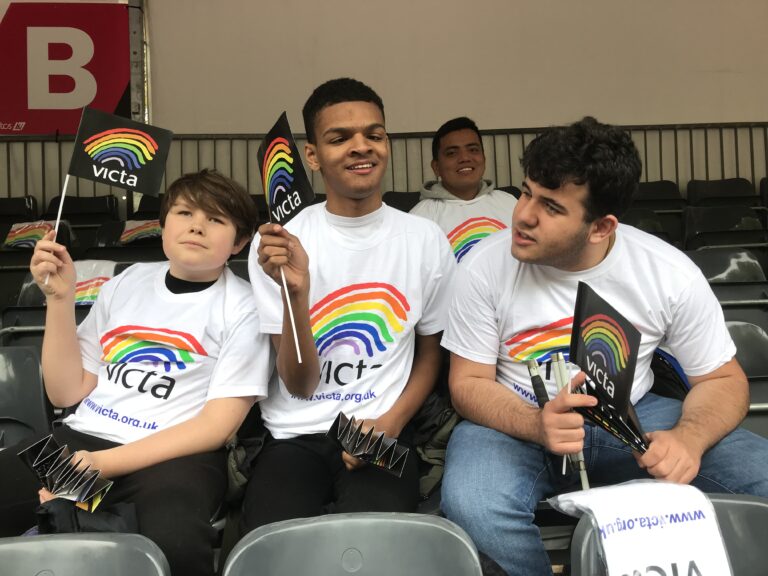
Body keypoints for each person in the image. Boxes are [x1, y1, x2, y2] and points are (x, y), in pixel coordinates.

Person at [440, 117, 768, 575]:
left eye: (551, 207)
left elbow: (722, 379)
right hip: (515, 417)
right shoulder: (483, 266)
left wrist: (689, 438)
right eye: (526, 191)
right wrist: (536, 424)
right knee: (473, 504)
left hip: (636, 414)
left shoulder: (666, 272)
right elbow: (468, 382)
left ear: (601, 227)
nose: (523, 215)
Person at [0, 169, 272, 576]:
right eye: (184, 213)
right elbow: (65, 393)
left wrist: (102, 466)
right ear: (163, 225)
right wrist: (60, 298)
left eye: (215, 219)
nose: (197, 225)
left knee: (174, 544)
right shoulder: (126, 282)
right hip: (82, 442)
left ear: (239, 242)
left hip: (175, 458)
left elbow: (216, 427)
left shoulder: (245, 306)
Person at [240, 77, 455, 532]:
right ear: (313, 156)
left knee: (376, 545)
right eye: (340, 138)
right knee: (270, 548)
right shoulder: (279, 247)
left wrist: (392, 422)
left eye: (374, 135)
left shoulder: (425, 240)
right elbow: (299, 385)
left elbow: (431, 352)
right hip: (294, 435)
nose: (362, 147)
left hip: (380, 428)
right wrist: (296, 293)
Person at [410, 116, 517, 262]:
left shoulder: (511, 203)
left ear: (484, 158)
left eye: (473, 150)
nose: (465, 158)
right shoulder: (419, 218)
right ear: (436, 167)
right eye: (452, 153)